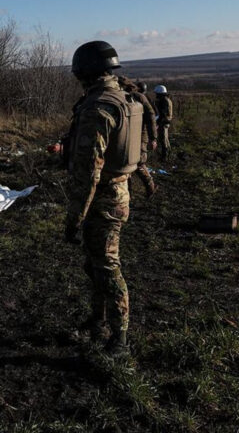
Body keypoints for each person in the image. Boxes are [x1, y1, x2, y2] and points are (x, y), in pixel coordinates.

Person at [64, 41, 142, 356]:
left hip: (104, 199)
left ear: (85, 72)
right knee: (94, 263)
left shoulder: (98, 108)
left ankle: (120, 338)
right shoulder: (124, 97)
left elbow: (88, 173)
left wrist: (75, 218)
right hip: (117, 192)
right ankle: (99, 321)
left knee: (108, 267)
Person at [118, 76, 158, 198]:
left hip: (140, 135)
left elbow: (151, 116)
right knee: (125, 164)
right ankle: (128, 193)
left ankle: (150, 187)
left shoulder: (139, 97)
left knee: (139, 163)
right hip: (126, 135)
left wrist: (153, 138)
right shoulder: (119, 97)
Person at [154, 84, 173, 160]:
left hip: (164, 122)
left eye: (157, 94)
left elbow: (162, 114)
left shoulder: (164, 101)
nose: (156, 95)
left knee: (163, 139)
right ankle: (167, 154)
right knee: (165, 139)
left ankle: (165, 156)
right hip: (165, 121)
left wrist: (157, 123)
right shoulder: (166, 100)